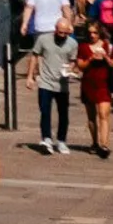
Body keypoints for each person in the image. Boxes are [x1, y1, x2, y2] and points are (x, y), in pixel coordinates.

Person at [33, 13, 78, 154]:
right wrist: (30, 76)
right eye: (60, 32)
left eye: (66, 33)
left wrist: (70, 69)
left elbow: (73, 61)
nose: (63, 35)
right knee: (45, 111)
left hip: (62, 84)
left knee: (63, 113)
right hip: (46, 82)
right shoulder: (43, 39)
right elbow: (35, 55)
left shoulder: (72, 44)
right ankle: (46, 138)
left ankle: (61, 140)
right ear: (55, 29)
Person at [82, 21, 113, 160]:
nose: (92, 35)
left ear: (100, 33)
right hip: (88, 84)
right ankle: (95, 142)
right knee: (91, 117)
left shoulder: (108, 46)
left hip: (103, 84)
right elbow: (80, 66)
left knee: (103, 114)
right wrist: (90, 58)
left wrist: (106, 57)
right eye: (90, 32)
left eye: (95, 32)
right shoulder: (84, 47)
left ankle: (105, 145)